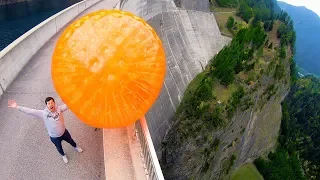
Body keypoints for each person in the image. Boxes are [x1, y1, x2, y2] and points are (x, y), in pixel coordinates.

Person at [8, 97, 83, 164]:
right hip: (54, 137)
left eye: (51, 102)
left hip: (64, 132)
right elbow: (30, 111)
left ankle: (76, 147)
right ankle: (63, 155)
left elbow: (70, 105)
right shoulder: (43, 113)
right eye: (48, 103)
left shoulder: (59, 109)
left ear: (54, 103)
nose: (50, 104)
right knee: (59, 147)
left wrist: (69, 100)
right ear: (46, 105)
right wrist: (17, 107)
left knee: (71, 140)